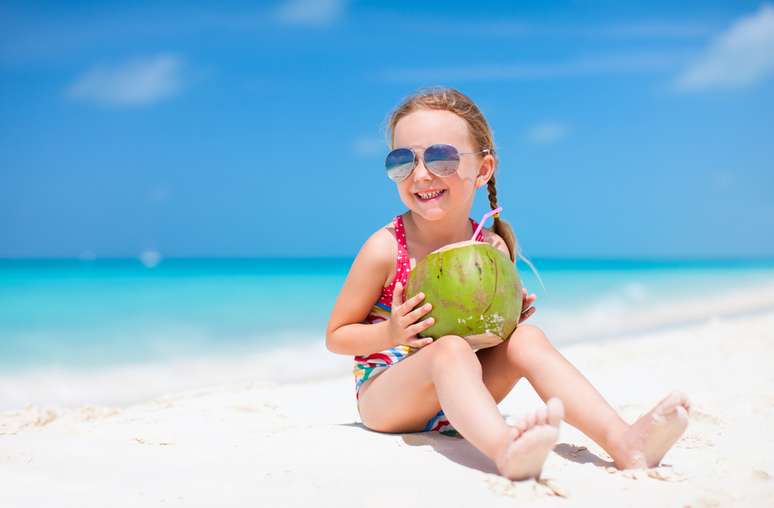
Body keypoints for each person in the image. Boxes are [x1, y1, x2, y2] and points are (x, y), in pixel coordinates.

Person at [325, 86, 691, 481]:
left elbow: (483, 338)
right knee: (448, 350)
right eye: (403, 161)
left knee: (528, 338)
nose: (422, 174)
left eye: (441, 157)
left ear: (482, 170)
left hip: (461, 402)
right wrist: (393, 331)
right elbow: (337, 335)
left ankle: (624, 442)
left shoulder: (491, 248)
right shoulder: (385, 248)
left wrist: (507, 323)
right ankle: (506, 449)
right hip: (388, 398)